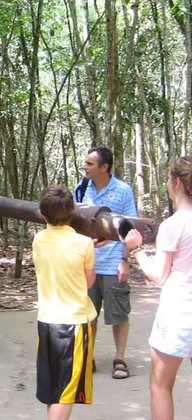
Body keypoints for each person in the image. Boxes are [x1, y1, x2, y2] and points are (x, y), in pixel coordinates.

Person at [124, 155, 192, 420]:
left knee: (161, 385)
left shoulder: (174, 225)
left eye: (168, 179)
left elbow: (157, 275)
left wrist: (137, 249)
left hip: (179, 312)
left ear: (176, 183)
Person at [33, 185, 97, 420]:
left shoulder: (38, 239)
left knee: (54, 389)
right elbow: (89, 282)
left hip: (47, 321)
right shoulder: (84, 244)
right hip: (74, 324)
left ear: (43, 214)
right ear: (71, 212)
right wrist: (89, 248)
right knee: (67, 391)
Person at [77, 146, 138, 379]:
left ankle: (119, 359)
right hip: (87, 262)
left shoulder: (122, 191)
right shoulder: (82, 189)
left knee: (118, 314)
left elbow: (129, 227)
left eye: (90, 164)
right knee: (87, 313)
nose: (85, 167)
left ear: (105, 167)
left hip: (113, 262)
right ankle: (87, 357)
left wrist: (124, 261)